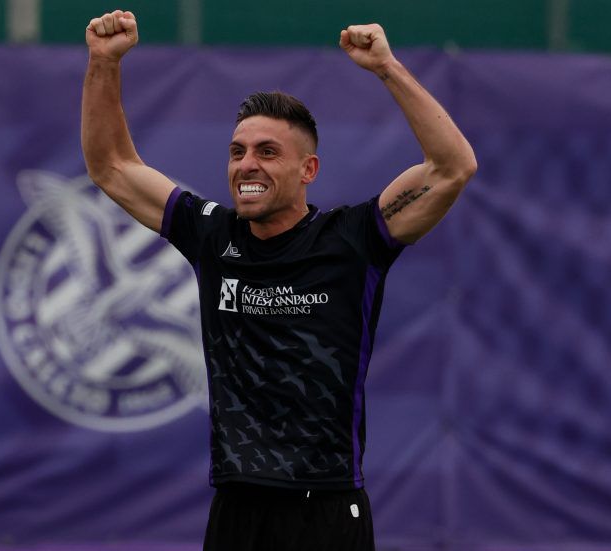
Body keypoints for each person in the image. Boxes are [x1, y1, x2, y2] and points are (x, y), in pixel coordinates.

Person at [81, 10, 476, 551]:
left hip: (327, 508)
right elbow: (110, 164)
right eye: (238, 152)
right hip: (237, 508)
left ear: (308, 170)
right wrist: (104, 62)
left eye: (268, 153)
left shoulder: (355, 238)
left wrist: (387, 67)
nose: (247, 165)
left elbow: (453, 166)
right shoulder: (210, 235)